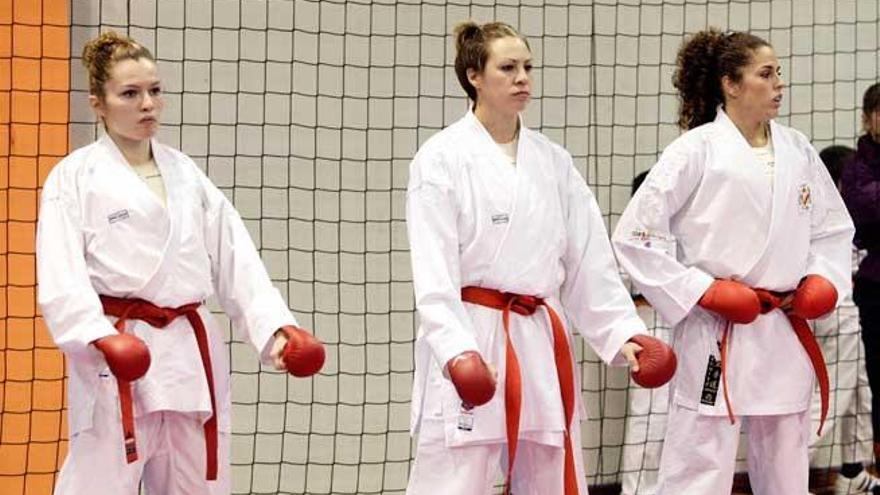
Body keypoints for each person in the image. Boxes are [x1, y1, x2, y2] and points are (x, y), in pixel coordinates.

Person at [36, 31, 325, 495]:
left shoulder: (186, 174)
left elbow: (236, 259)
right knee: (99, 482)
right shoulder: (74, 177)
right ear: (98, 104)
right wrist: (96, 335)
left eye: (154, 90)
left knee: (196, 483)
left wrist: (276, 330)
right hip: (119, 353)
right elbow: (60, 274)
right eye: (130, 93)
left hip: (189, 355)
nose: (147, 103)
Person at [404, 20, 673, 495]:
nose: (523, 77)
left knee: (547, 472)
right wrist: (456, 352)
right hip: (473, 331)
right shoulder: (440, 158)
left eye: (527, 66)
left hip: (538, 333)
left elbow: (589, 257)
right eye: (507, 68)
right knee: (453, 477)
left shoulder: (553, 161)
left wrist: (620, 331)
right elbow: (433, 273)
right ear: (474, 76)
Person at [612, 28, 855, 495]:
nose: (778, 83)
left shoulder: (798, 148)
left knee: (787, 461)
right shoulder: (695, 150)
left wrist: (823, 279)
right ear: (731, 83)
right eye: (765, 74)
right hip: (717, 329)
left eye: (778, 73)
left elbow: (832, 230)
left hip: (783, 324)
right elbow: (636, 237)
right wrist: (701, 290)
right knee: (699, 463)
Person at [841, 81, 880, 493]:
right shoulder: (855, 166)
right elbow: (866, 208)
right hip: (869, 292)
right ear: (868, 118)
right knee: (867, 384)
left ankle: (855, 475)